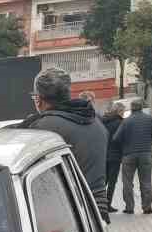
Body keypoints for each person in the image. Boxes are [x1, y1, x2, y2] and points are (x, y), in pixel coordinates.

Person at [19, 67, 108, 208]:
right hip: (98, 208)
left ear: (38, 99)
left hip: (70, 213)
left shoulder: (43, 128)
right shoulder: (96, 121)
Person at [115, 98, 152, 214]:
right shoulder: (150, 119)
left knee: (127, 182)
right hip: (145, 154)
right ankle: (147, 207)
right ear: (142, 107)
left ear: (131, 108)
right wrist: (150, 142)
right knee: (146, 181)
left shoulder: (126, 121)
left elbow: (116, 138)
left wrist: (125, 145)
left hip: (128, 155)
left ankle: (129, 207)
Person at [102, 103, 126, 211]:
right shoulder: (121, 123)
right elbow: (122, 140)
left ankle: (100, 204)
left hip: (104, 154)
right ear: (119, 111)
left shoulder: (104, 121)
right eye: (123, 111)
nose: (124, 113)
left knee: (104, 181)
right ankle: (108, 205)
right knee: (112, 182)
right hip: (115, 156)